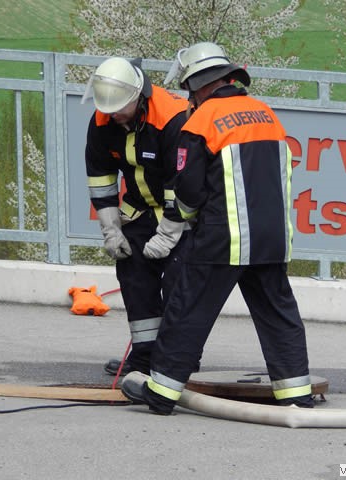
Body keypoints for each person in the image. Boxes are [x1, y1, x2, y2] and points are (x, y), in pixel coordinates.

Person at [121, 42, 314, 414]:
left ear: (198, 85)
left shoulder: (202, 121)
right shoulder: (266, 114)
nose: (188, 97)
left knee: (187, 310)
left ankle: (161, 392)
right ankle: (295, 393)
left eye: (188, 89)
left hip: (223, 239)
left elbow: (188, 190)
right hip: (272, 239)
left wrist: (180, 221)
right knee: (278, 314)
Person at [82, 56, 190, 376]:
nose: (113, 115)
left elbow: (182, 183)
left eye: (120, 109)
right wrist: (111, 230)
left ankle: (174, 364)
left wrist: (168, 235)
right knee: (135, 281)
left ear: (139, 96)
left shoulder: (172, 119)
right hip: (140, 211)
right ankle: (143, 359)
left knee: (179, 287)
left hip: (183, 216)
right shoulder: (103, 121)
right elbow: (101, 178)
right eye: (109, 109)